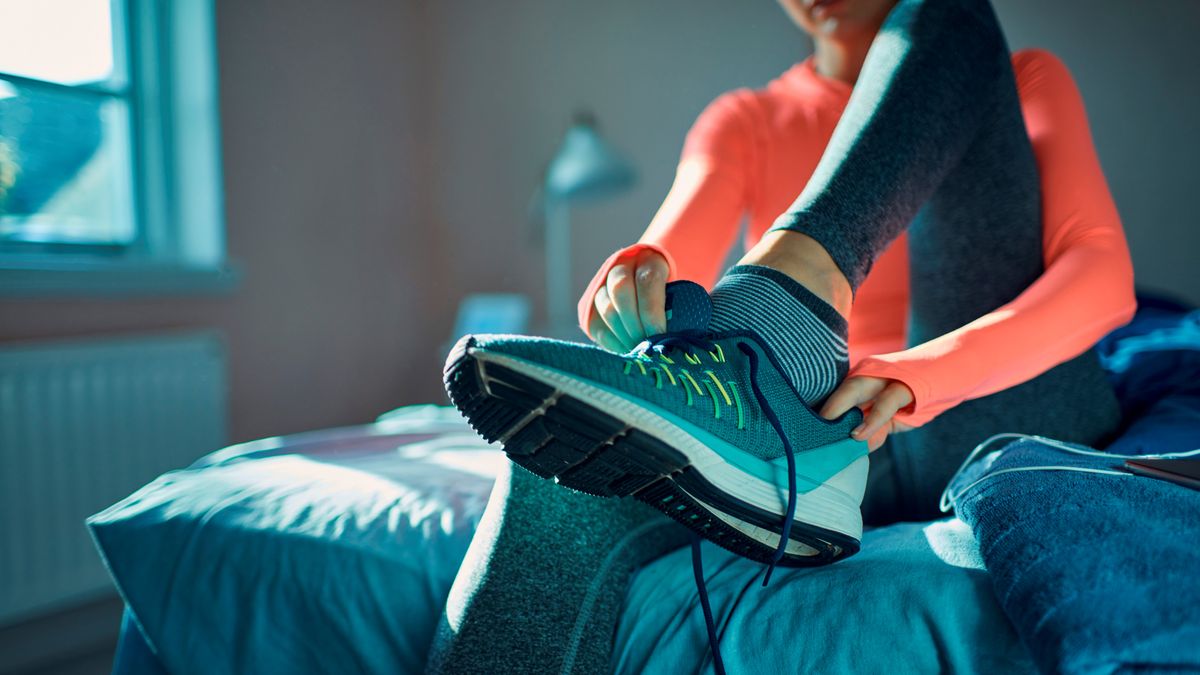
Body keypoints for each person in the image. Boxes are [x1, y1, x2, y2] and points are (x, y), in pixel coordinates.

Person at [429, 0, 1135, 671]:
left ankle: (785, 308)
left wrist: (921, 376)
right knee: (560, 468)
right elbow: (675, 246)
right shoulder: (748, 120)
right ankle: (777, 320)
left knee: (954, 16)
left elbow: (1103, 276)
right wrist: (635, 282)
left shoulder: (1022, 79)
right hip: (834, 433)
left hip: (999, 404)